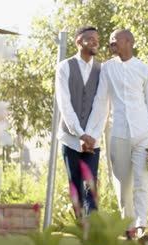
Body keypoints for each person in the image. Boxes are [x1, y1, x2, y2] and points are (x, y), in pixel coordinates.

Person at [85, 29, 148, 240]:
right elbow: (101, 102)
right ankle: (128, 226)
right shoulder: (107, 68)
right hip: (118, 133)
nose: (110, 43)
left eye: (114, 40)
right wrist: (91, 133)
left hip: (143, 133)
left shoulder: (143, 69)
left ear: (128, 42)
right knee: (122, 182)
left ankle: (142, 226)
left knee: (142, 180)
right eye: (110, 41)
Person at [55, 26, 101, 218]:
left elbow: (101, 105)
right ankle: (81, 226)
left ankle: (94, 230)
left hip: (92, 139)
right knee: (75, 185)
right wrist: (79, 134)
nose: (94, 41)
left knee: (90, 185)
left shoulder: (101, 69)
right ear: (78, 42)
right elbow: (64, 104)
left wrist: (90, 135)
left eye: (97, 39)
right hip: (70, 137)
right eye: (89, 38)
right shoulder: (64, 67)